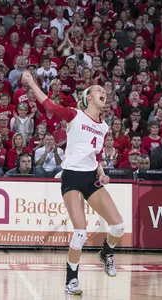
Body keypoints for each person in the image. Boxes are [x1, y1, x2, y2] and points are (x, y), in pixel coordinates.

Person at [21, 71, 125, 295]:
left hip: (90, 177)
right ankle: (72, 281)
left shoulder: (104, 127)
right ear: (88, 98)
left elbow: (95, 155)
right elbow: (49, 105)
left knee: (118, 226)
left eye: (104, 91)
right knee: (80, 232)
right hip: (72, 176)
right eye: (97, 90)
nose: (102, 92)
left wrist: (101, 172)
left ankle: (106, 252)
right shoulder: (74, 115)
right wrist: (31, 83)